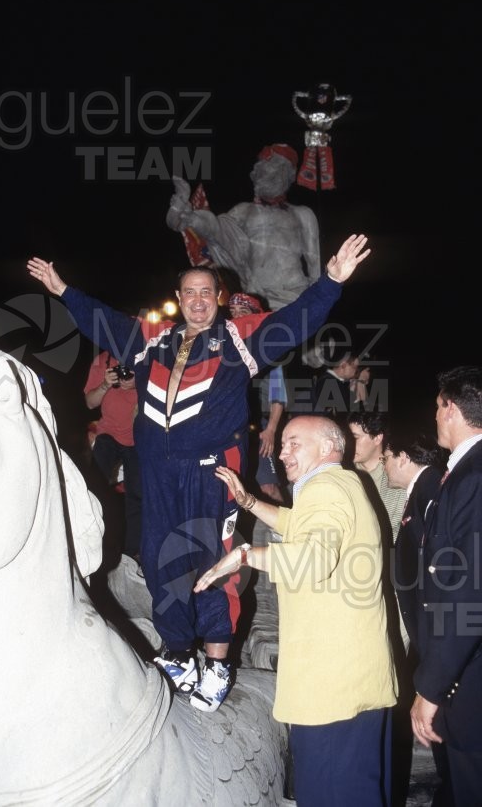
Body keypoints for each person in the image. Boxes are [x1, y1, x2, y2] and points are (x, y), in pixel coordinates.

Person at [27, 232, 370, 713]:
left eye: (207, 292)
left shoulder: (239, 337)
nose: (198, 300)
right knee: (161, 559)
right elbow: (101, 322)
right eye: (189, 292)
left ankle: (218, 661)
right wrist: (64, 291)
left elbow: (295, 322)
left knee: (215, 561)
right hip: (160, 474)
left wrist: (331, 280)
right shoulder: (150, 341)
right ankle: (178, 653)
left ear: (219, 299)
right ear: (178, 299)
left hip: (214, 473)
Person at [194, 415, 397, 806]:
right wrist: (250, 502)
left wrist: (244, 555)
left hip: (333, 694)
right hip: (354, 686)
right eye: (283, 443)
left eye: (293, 443)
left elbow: (315, 558)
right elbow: (300, 525)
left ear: (327, 447)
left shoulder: (325, 491)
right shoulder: (342, 483)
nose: (281, 452)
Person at [410, 366, 482, 806]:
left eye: (438, 407)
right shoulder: (464, 474)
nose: (435, 417)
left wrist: (432, 687)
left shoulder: (474, 478)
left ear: (450, 408)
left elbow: (468, 593)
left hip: (469, 685)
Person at [383, 429, 453, 806]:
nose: (384, 466)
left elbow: (439, 579)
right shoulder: (422, 493)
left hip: (436, 640)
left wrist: (435, 661)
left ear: (405, 458)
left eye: (387, 458)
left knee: (452, 753)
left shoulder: (429, 494)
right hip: (431, 639)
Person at [166, 143, 321, 311]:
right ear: (257, 174)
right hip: (257, 298)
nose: (271, 173)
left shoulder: (303, 214)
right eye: (266, 167)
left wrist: (318, 301)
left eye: (278, 168)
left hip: (296, 296)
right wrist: (188, 215)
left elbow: (314, 264)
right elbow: (216, 230)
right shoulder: (243, 211)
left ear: (288, 175)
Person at [228, 292, 287, 502]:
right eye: (232, 313)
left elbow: (278, 394)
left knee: (268, 487)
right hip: (229, 428)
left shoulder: (267, 349)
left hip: (258, 427)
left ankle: (290, 532)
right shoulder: (224, 347)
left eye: (242, 312)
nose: (236, 318)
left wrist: (271, 430)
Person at [84, 349, 142, 560]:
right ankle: (90, 541)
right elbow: (90, 402)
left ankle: (131, 551)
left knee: (138, 496)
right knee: (94, 490)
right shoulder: (102, 361)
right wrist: (106, 383)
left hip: (138, 436)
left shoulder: (149, 355)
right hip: (108, 433)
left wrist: (139, 382)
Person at [348, 412, 407, 544]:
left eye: (355, 438)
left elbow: (399, 531)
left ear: (377, 438)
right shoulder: (344, 473)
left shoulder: (398, 475)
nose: (349, 444)